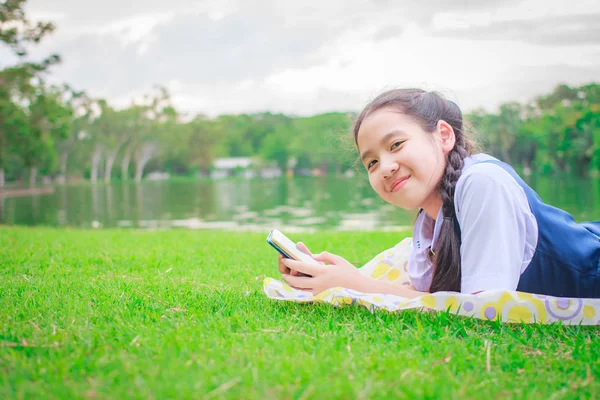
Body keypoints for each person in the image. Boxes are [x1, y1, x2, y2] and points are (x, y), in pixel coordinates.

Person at [278, 88, 600, 299]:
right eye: (372, 162)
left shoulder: (482, 184)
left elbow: (481, 311)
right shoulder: (429, 223)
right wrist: (337, 275)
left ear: (443, 135)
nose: (385, 167)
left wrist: (354, 284)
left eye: (396, 145)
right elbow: (433, 300)